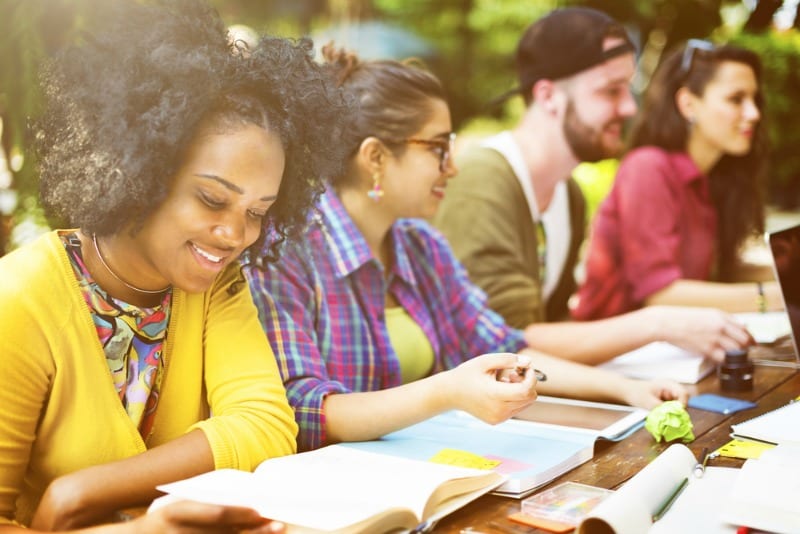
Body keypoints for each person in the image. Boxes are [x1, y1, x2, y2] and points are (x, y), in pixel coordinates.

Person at [0, 0, 349, 531]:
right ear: (140, 172)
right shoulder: (20, 299)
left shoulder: (215, 285)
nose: (235, 236)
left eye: (257, 212)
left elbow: (266, 424)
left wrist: (82, 489)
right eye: (212, 200)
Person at [244, 44, 689, 453]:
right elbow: (302, 408)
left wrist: (626, 389)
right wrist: (445, 390)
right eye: (438, 149)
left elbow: (501, 344)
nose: (452, 168)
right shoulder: (285, 252)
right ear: (376, 157)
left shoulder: (421, 246)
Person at [432, 7, 752, 364]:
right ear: (549, 95)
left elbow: (548, 328)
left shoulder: (568, 195)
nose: (630, 107)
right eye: (611, 91)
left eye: (628, 90)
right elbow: (500, 342)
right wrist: (657, 322)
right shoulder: (483, 179)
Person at [573, 40, 780, 321]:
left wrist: (786, 272)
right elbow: (660, 292)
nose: (753, 114)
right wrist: (774, 297)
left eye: (755, 100)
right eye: (736, 99)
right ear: (688, 104)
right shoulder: (647, 168)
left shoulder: (714, 179)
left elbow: (720, 271)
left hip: (677, 350)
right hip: (615, 355)